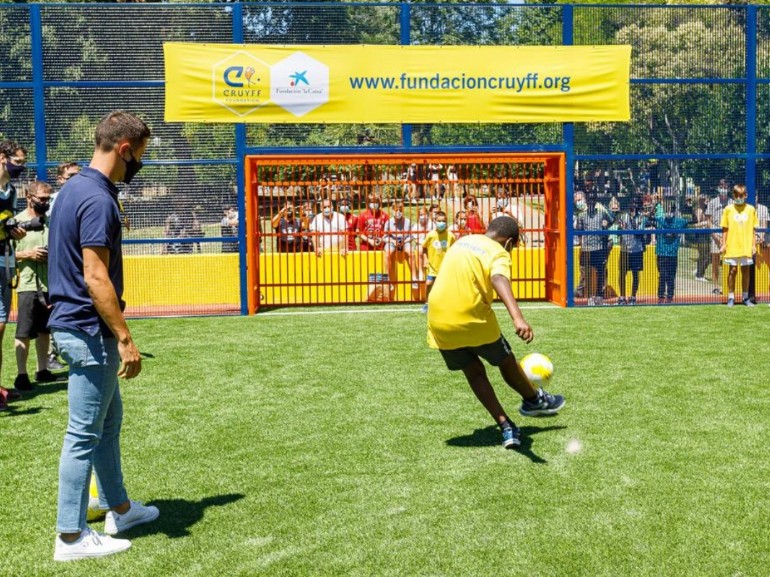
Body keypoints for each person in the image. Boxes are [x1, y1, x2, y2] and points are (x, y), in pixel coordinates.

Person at [49, 111, 159, 561]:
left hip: (75, 325)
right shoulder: (96, 198)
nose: (139, 166)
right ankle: (71, 537)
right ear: (125, 149)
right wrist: (125, 337)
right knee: (82, 434)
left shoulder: (74, 187)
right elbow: (95, 276)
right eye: (140, 157)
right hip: (87, 328)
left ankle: (120, 509)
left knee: (106, 425)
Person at [426, 216, 565, 449]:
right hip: (471, 318)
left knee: (474, 372)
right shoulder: (498, 252)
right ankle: (534, 400)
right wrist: (517, 317)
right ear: (509, 242)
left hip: (437, 320)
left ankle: (506, 426)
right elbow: (498, 277)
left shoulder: (462, 241)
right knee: (505, 358)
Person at [12, 181, 57, 392]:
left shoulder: (52, 221)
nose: (45, 202)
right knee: (23, 331)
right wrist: (29, 254)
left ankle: (42, 369)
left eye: (48, 199)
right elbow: (6, 254)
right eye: (42, 198)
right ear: (29, 197)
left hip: (49, 283)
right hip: (27, 284)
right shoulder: (15, 223)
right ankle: (22, 374)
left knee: (44, 330)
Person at [0, 140, 29, 411]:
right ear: (2, 157)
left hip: (5, 261)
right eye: (17, 161)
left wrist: (14, 229)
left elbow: (7, 221)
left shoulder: (11, 191)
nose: (20, 167)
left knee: (0, 328)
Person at [720, 184, 758, 307]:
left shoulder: (751, 209)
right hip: (732, 245)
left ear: (745, 195)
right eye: (736, 195)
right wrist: (724, 244)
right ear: (733, 195)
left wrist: (753, 245)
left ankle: (745, 297)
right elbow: (725, 228)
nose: (738, 197)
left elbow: (753, 230)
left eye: (741, 195)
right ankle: (731, 297)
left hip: (746, 246)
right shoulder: (728, 209)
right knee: (733, 270)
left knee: (746, 270)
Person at [575, 190, 614, 306]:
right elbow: (578, 230)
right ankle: (590, 296)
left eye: (593, 201)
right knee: (586, 273)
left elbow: (611, 219)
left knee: (600, 272)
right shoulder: (581, 215)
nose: (591, 203)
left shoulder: (601, 212)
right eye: (590, 201)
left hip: (599, 247)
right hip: (587, 248)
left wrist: (606, 225)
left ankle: (599, 296)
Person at [420, 210, 455, 313]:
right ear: (434, 221)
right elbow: (424, 248)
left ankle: (447, 303)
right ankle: (427, 303)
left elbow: (454, 249)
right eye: (439, 221)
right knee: (429, 283)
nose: (441, 223)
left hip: (446, 266)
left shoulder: (451, 236)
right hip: (433, 266)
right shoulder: (431, 235)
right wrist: (425, 259)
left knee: (447, 286)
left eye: (443, 221)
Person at [616, 197, 649, 305]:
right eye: (632, 203)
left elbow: (639, 233)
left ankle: (633, 296)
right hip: (625, 249)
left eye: (635, 203)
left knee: (636, 274)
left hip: (637, 250)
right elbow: (618, 231)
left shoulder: (642, 217)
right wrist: (621, 227)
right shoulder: (623, 216)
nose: (633, 206)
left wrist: (633, 222)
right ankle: (622, 297)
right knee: (622, 273)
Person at [655, 204, 687, 304]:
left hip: (672, 254)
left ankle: (669, 297)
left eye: (671, 210)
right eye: (667, 209)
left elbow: (691, 221)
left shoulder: (679, 221)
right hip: (661, 253)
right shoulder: (659, 220)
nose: (669, 212)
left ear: (674, 211)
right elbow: (649, 217)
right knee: (663, 276)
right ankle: (660, 297)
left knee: (671, 276)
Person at [705, 179, 731, 295]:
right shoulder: (712, 202)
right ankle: (715, 286)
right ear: (718, 187)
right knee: (715, 261)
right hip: (715, 232)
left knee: (729, 261)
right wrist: (716, 237)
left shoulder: (732, 202)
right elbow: (708, 221)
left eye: (725, 186)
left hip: (729, 233)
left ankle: (728, 285)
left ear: (729, 188)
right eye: (721, 186)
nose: (723, 188)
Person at [382, 201, 413, 298]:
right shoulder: (389, 222)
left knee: (411, 252)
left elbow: (412, 235)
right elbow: (384, 237)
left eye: (400, 209)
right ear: (392, 210)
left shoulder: (408, 222)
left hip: (405, 241)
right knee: (388, 253)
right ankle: (387, 278)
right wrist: (392, 241)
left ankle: (415, 277)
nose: (398, 212)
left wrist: (405, 241)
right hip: (392, 241)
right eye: (396, 209)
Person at [690, 195, 710, 282]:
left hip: (706, 235)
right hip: (700, 236)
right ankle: (699, 275)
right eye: (704, 200)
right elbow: (696, 224)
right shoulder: (699, 210)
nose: (706, 201)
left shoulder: (707, 210)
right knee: (703, 255)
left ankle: (699, 270)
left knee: (709, 255)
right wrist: (706, 223)